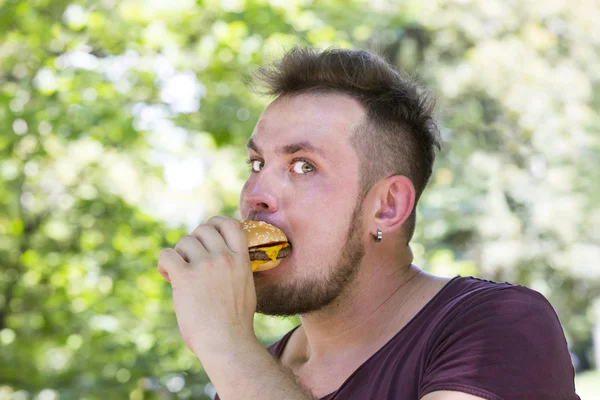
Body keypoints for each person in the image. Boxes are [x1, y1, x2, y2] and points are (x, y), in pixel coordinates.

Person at [157, 47, 580, 400]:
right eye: (257, 163)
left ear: (387, 207)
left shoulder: (498, 326)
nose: (255, 194)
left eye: (304, 166)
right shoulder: (249, 374)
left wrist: (224, 342)